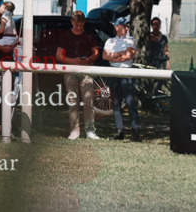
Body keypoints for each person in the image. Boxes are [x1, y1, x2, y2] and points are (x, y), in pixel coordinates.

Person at [56, 11, 101, 140]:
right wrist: (72, 61)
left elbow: (96, 52)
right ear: (72, 22)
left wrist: (90, 58)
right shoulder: (65, 36)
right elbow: (58, 55)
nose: (79, 27)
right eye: (77, 25)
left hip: (86, 70)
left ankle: (90, 130)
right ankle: (74, 130)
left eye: (81, 25)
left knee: (89, 102)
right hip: (70, 70)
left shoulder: (88, 36)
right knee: (72, 102)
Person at [103, 16, 141, 142]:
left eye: (127, 25)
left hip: (127, 73)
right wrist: (120, 53)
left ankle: (136, 132)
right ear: (116, 27)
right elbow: (104, 56)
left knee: (131, 102)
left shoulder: (131, 40)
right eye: (124, 25)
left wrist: (113, 56)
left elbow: (128, 56)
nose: (126, 27)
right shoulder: (109, 41)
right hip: (113, 74)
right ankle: (120, 131)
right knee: (116, 103)